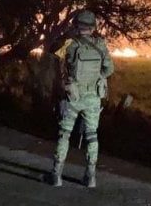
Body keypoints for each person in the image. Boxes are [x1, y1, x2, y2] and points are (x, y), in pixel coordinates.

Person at [49, 10, 114, 188]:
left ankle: (56, 176)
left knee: (64, 134)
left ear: (77, 25)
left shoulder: (69, 44)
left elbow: (53, 55)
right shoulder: (100, 44)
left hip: (73, 96)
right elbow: (109, 70)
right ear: (93, 27)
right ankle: (90, 177)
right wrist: (95, 78)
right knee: (92, 136)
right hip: (93, 97)